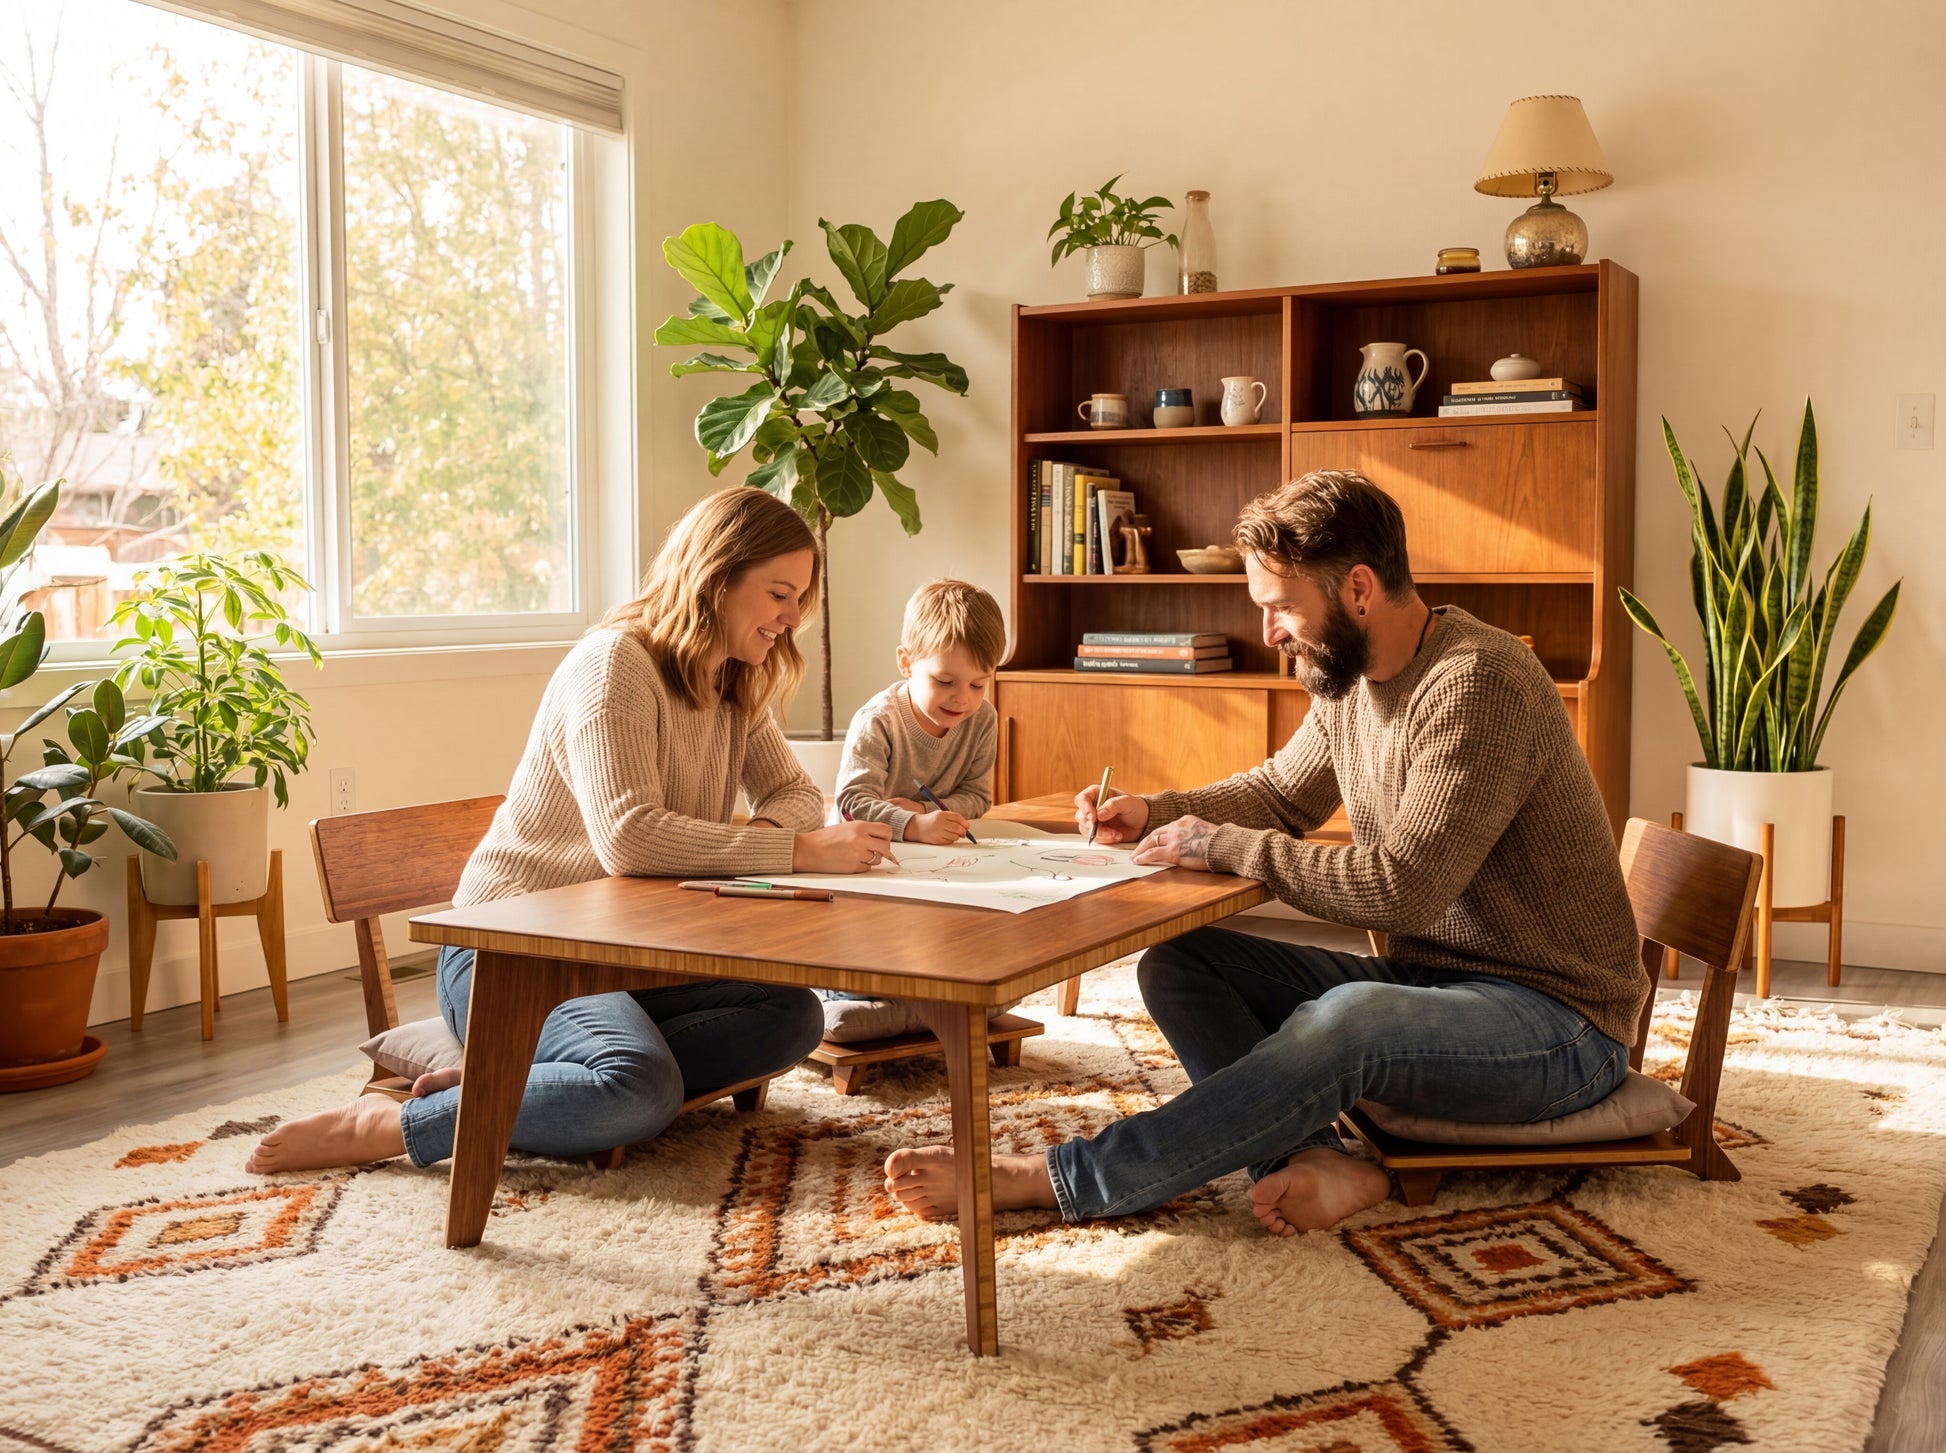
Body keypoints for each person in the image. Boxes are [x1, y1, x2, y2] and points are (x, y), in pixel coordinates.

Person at [883, 469, 1644, 1235]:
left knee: (1351, 1019)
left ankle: (1062, 1176)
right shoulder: (1347, 677)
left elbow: (1403, 890)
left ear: (1357, 589)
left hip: (1560, 1026)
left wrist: (1222, 845)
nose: (1270, 631)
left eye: (1282, 608)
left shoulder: (1478, 682)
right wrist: (1154, 810)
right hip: (1441, 983)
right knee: (1181, 963)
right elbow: (1282, 792)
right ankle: (1311, 1156)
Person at [248, 487, 895, 1174]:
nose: (793, 618)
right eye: (779, 594)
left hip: (631, 949)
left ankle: (520, 1082)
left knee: (793, 1015)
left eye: (798, 599)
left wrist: (767, 835)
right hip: (514, 949)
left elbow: (795, 791)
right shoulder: (616, 663)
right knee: (638, 1088)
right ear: (717, 576)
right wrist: (792, 848)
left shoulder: (734, 679)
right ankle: (394, 1123)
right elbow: (631, 835)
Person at [818, 579, 1005, 1042]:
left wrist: (923, 811)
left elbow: (977, 796)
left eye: (978, 683)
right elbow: (852, 803)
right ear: (906, 663)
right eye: (944, 681)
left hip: (937, 867)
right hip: (866, 871)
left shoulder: (983, 719)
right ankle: (843, 998)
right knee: (873, 951)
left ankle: (912, 1002)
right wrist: (913, 826)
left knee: (973, 947)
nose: (961, 698)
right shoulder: (878, 719)